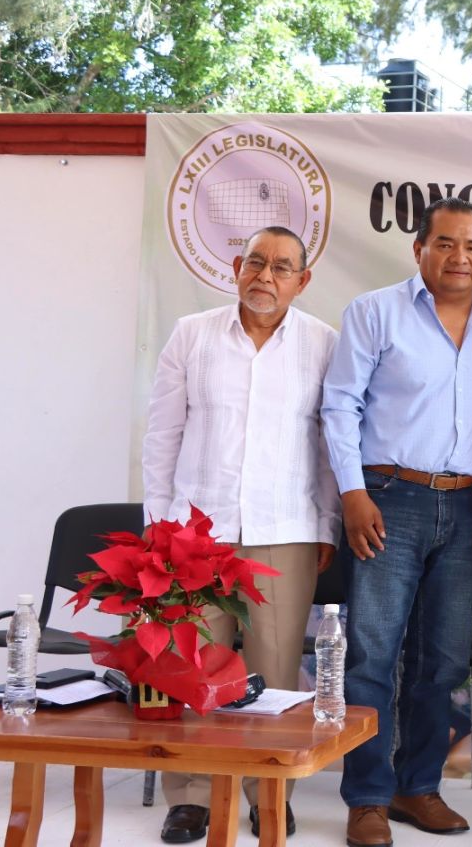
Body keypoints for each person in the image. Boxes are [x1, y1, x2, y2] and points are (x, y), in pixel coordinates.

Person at [322, 198, 472, 847]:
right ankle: (367, 797)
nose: (461, 257)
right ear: (419, 248)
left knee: (444, 659)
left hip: (465, 506)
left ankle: (417, 786)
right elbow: (339, 406)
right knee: (372, 655)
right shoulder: (375, 312)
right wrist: (352, 493)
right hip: (386, 499)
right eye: (447, 243)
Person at [142, 225, 339, 844]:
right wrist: (158, 524)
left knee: (273, 671)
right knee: (192, 665)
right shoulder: (191, 334)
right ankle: (191, 795)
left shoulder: (323, 344)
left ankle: (267, 792)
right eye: (256, 262)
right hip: (194, 532)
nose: (265, 276)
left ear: (302, 281)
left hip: (285, 529)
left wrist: (326, 524)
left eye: (282, 267)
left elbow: (329, 444)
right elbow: (162, 435)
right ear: (235, 267)